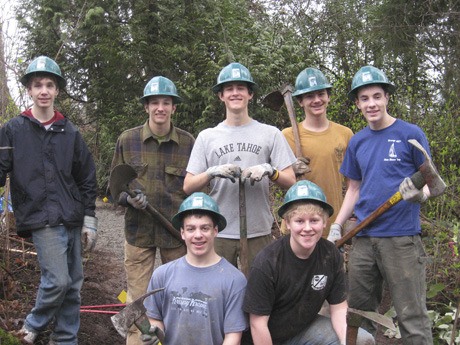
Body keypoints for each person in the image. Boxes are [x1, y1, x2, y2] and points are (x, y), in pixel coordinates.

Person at [331, 65, 433, 343]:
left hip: (401, 238)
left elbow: (431, 182)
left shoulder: (410, 134)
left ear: (387, 98)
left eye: (377, 96)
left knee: (411, 315)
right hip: (363, 238)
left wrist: (420, 195)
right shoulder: (358, 141)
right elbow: (353, 188)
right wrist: (337, 225)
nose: (371, 103)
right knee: (358, 313)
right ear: (357, 104)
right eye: (365, 99)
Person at [0, 56, 98, 344]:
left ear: (57, 91)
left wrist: (89, 219)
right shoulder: (13, 130)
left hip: (71, 215)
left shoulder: (70, 131)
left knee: (74, 285)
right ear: (29, 90)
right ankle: (33, 325)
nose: (44, 90)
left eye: (50, 85)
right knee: (57, 280)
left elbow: (87, 178)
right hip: (40, 217)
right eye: (37, 85)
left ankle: (65, 338)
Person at [183, 62, 296, 269]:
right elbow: (188, 186)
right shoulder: (207, 137)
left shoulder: (270, 134)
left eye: (241, 88)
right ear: (221, 95)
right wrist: (211, 172)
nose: (235, 93)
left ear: (250, 94)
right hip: (219, 230)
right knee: (218, 291)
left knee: (257, 291)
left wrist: (270, 171)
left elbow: (291, 181)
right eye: (229, 88)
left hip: (258, 231)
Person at [110, 76, 195, 345]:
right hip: (139, 233)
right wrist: (127, 200)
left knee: (178, 297)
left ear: (174, 108)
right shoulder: (128, 140)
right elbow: (114, 189)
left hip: (175, 234)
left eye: (166, 102)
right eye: (154, 102)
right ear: (146, 107)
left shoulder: (188, 143)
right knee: (138, 300)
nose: (160, 107)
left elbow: (195, 191)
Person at [242, 180, 374, 345]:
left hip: (303, 330)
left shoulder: (330, 254)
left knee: (362, 340)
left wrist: (346, 342)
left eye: (314, 220)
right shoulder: (267, 262)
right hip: (268, 337)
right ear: (288, 223)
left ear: (325, 222)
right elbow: (257, 324)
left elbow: (339, 308)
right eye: (299, 221)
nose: (307, 228)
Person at [141, 192, 248, 345]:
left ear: (215, 231)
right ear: (182, 233)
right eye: (191, 229)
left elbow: (233, 337)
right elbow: (154, 318)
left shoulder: (234, 280)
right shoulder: (162, 275)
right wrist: (155, 333)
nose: (198, 235)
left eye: (205, 228)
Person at [281, 67, 353, 237]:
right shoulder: (287, 136)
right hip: (296, 224)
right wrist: (291, 170)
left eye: (321, 94)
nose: (316, 100)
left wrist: (349, 217)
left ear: (328, 96)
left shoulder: (345, 134)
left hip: (332, 224)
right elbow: (278, 178)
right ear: (300, 101)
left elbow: (352, 184)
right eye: (309, 96)